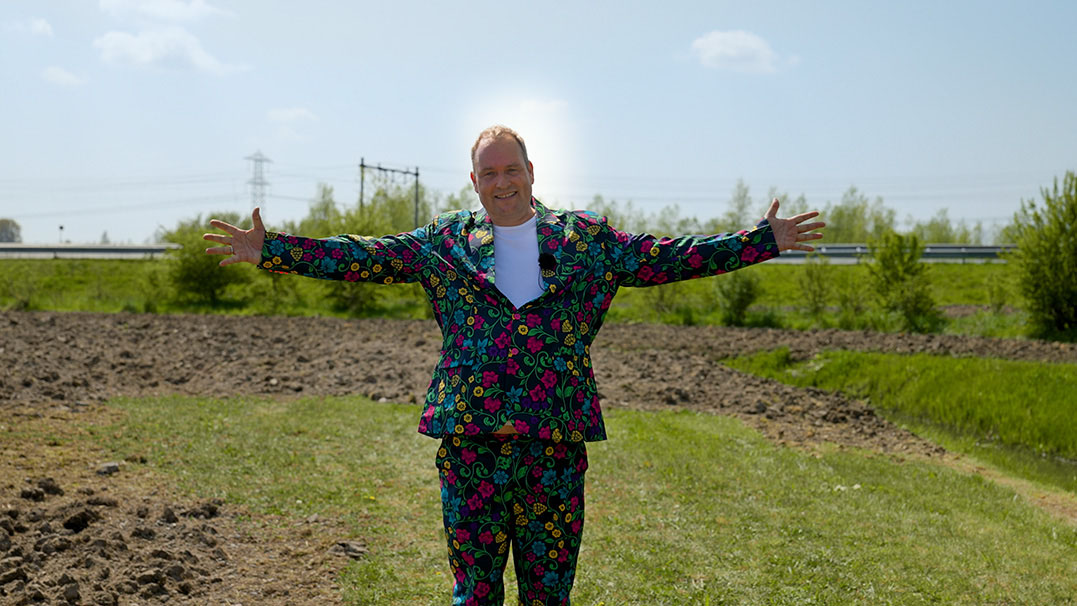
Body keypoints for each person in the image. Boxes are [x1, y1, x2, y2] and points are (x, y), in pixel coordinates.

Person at [204, 125, 824, 605]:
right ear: (474, 182)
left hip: (552, 443)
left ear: (531, 172)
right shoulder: (443, 243)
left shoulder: (585, 241)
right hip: (470, 442)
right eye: (488, 172)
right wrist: (273, 251)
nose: (502, 181)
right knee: (474, 593)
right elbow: (362, 257)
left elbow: (670, 257)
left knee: (548, 594)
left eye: (511, 169)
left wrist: (760, 240)